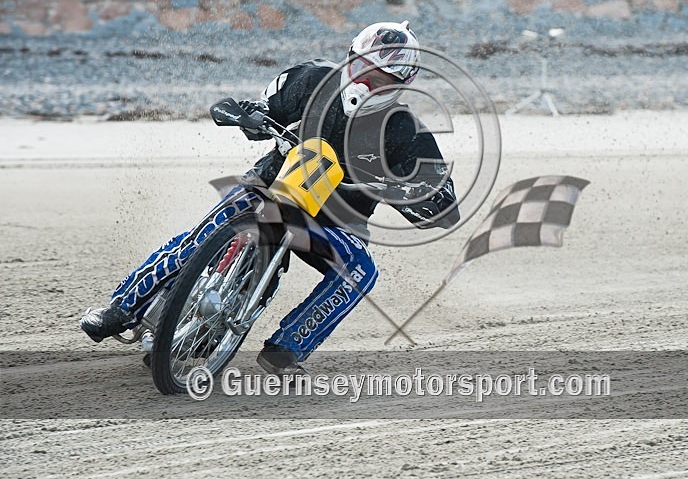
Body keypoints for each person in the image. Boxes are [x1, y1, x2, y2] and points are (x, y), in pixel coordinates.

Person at [80, 20, 460, 374]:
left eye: (379, 79)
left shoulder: (406, 130)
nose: (365, 82)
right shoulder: (309, 79)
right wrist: (249, 116)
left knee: (361, 271)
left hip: (334, 225)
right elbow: (259, 108)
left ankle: (287, 349)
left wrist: (418, 195)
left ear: (402, 84)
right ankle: (121, 308)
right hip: (266, 187)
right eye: (361, 67)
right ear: (349, 57)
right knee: (205, 232)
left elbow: (444, 204)